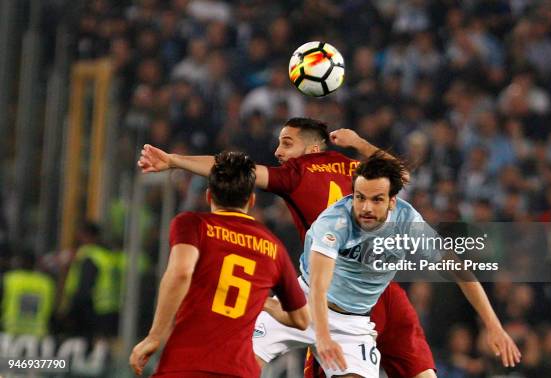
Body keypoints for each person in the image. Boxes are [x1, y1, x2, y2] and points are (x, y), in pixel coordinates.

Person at [138, 117, 438, 377]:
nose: (278, 152)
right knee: (419, 370)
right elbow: (402, 174)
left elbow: (231, 169)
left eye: (286, 143)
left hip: (328, 292)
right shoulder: (355, 168)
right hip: (375, 291)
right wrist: (358, 142)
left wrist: (175, 160)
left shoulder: (297, 174)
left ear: (312, 149)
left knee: (241, 356)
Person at [253, 153, 521, 377]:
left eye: (376, 199)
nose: (365, 207)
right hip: (302, 305)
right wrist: (322, 338)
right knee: (241, 364)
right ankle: (267, 304)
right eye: (360, 197)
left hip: (352, 324)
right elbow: (320, 288)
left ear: (393, 201)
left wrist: (494, 326)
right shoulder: (333, 222)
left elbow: (460, 271)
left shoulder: (408, 223)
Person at [129, 151, 309, 377]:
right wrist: (260, 302)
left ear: (208, 196)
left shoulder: (193, 224)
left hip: (187, 365)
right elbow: (302, 319)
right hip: (240, 370)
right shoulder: (273, 246)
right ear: (251, 201)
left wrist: (155, 336)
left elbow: (181, 272)